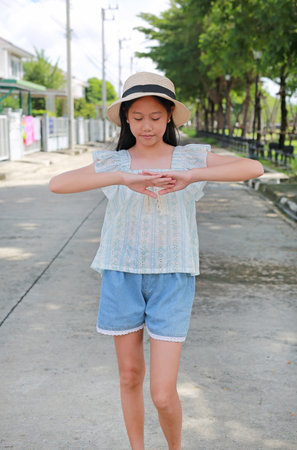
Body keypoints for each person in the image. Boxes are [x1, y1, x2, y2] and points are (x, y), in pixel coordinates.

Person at [49, 72, 264, 450]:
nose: (146, 125)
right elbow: (58, 184)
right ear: (126, 120)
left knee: (163, 393)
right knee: (130, 376)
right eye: (137, 117)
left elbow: (253, 168)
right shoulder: (114, 162)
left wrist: (190, 176)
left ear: (169, 117)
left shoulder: (190, 157)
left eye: (154, 116)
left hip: (173, 279)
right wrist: (121, 177)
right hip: (121, 274)